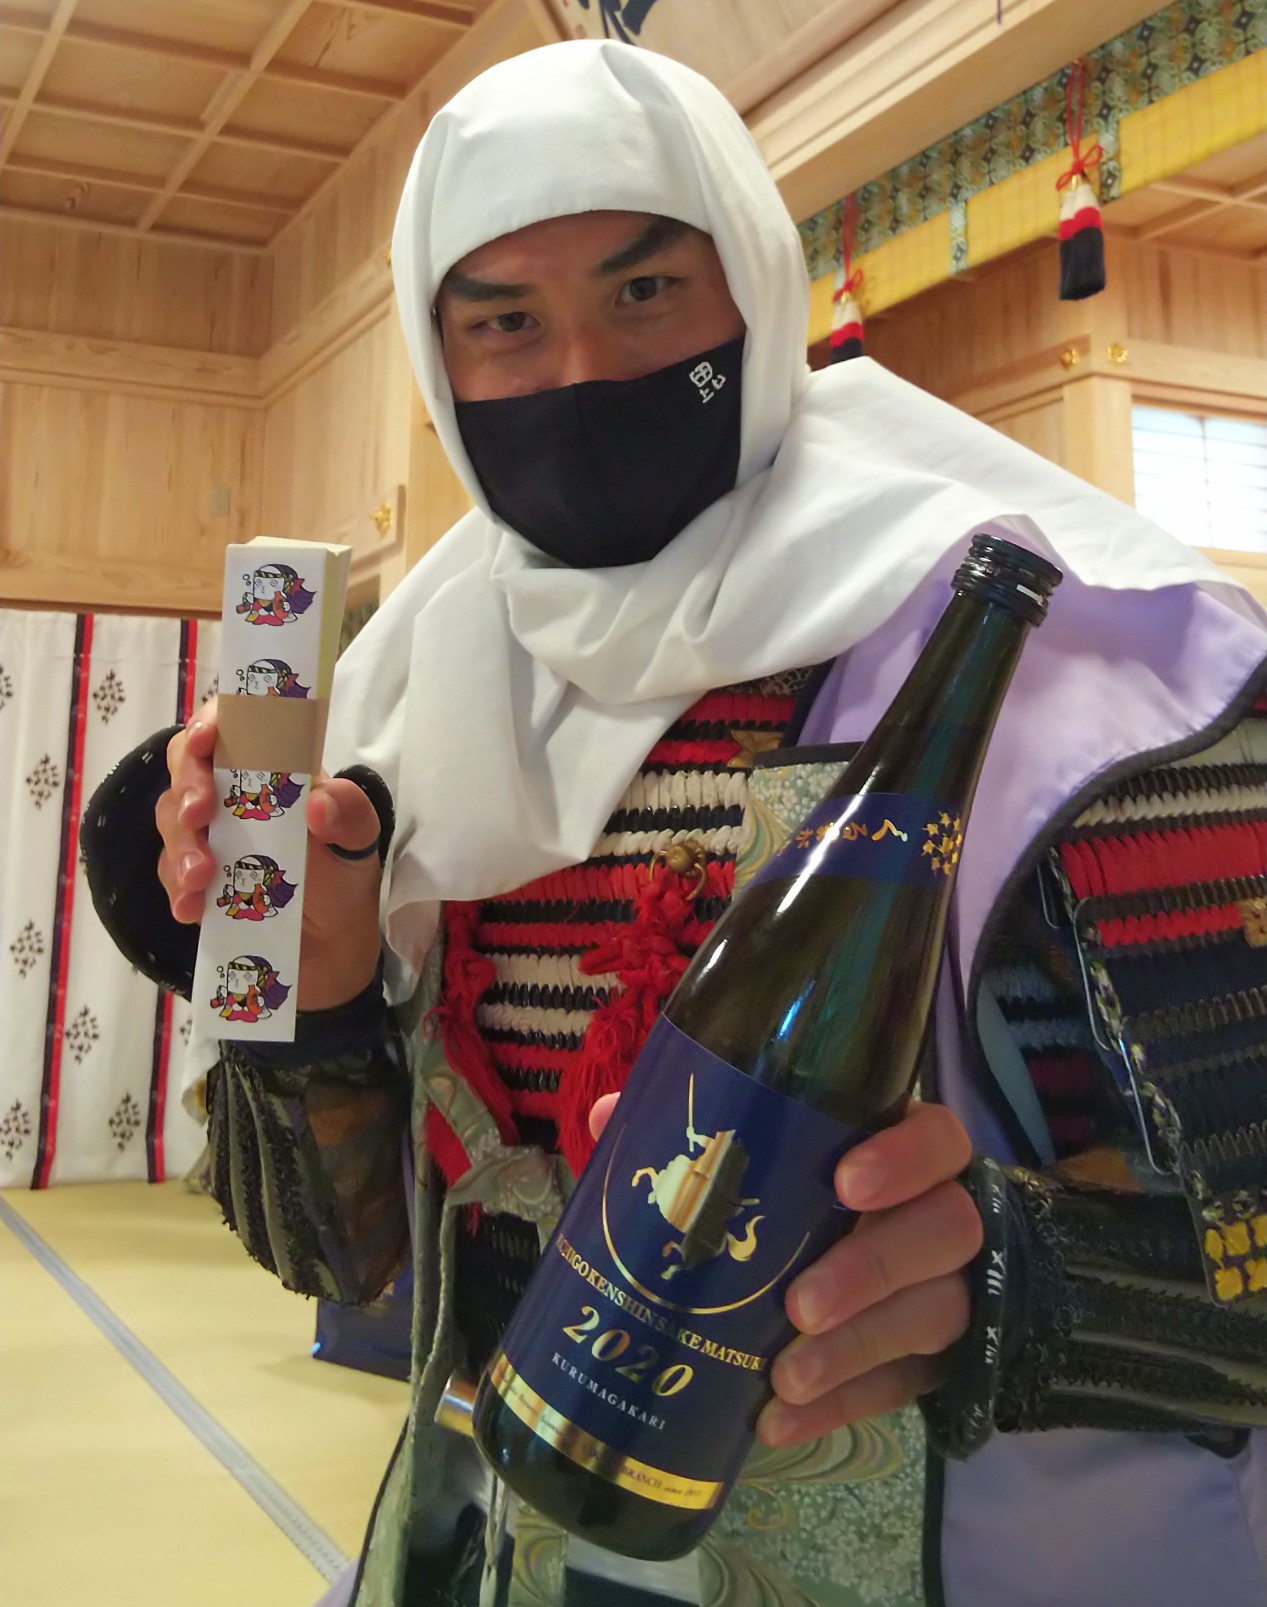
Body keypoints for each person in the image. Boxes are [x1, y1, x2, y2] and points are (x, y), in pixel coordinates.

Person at [83, 40, 1267, 1607]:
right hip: (496, 1551)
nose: (580, 370)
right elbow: (350, 1264)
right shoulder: (413, 698)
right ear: (441, 363)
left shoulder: (1086, 669)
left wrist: (1014, 1282)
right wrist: (318, 999)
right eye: (505, 322)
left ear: (756, 295)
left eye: (646, 292)